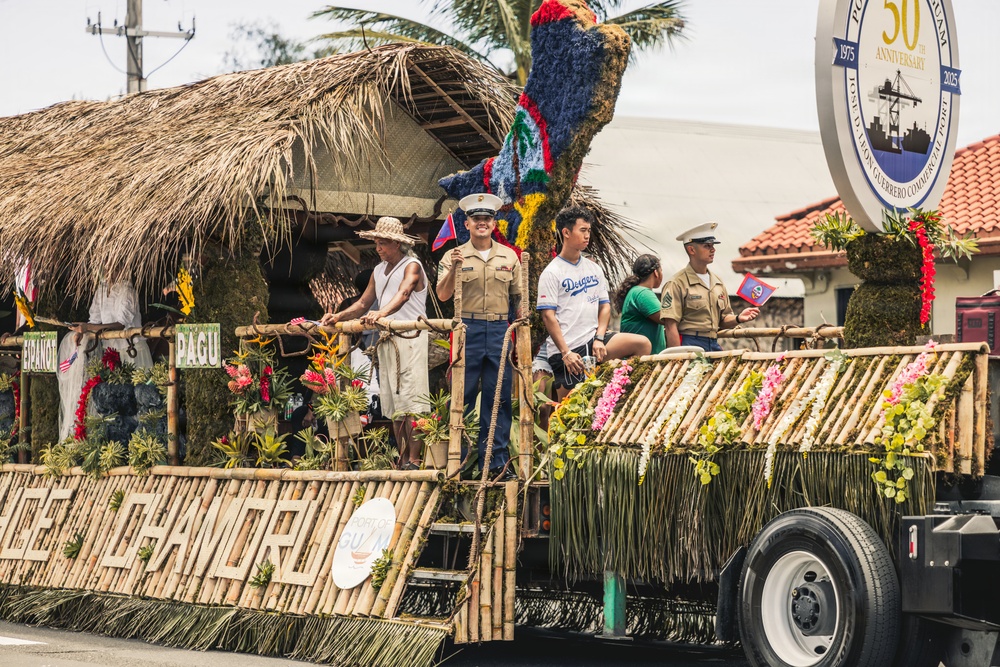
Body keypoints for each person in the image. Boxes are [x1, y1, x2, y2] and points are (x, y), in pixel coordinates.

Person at [320, 217, 430, 470]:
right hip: (387, 340)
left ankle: (414, 458)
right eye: (376, 243)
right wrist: (338, 316)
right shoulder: (378, 271)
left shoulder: (412, 265)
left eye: (383, 243)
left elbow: (403, 294)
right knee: (393, 402)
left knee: (411, 400)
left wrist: (382, 313)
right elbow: (362, 303)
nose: (378, 248)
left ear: (397, 244)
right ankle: (402, 457)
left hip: (410, 338)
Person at [437, 193, 522, 481]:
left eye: (487, 218)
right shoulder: (453, 255)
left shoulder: (509, 256)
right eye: (476, 219)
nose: (482, 223)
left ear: (493, 223)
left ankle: (497, 464)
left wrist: (521, 333)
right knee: (463, 395)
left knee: (498, 398)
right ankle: (456, 462)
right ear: (467, 223)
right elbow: (443, 294)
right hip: (467, 330)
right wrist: (455, 269)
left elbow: (518, 299)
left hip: (499, 329)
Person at [538, 206, 651, 399]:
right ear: (566, 232)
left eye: (589, 230)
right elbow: (548, 316)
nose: (587, 235)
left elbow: (605, 306)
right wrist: (566, 353)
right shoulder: (551, 272)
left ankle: (618, 394)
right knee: (570, 408)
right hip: (567, 350)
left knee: (642, 344)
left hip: (593, 340)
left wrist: (599, 338)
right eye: (583, 230)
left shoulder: (594, 269)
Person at [58, 281, 153, 442]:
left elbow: (121, 324)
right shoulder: (101, 290)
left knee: (141, 400)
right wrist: (83, 331)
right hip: (112, 353)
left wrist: (88, 327)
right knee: (116, 402)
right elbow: (94, 320)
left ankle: (145, 444)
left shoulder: (127, 290)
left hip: (132, 350)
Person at [660, 222, 760, 352]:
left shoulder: (717, 282)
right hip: (689, 343)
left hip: (713, 343)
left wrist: (738, 318)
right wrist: (676, 359)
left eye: (713, 246)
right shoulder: (677, 283)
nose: (713, 249)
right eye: (707, 246)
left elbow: (723, 320)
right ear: (691, 250)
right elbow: (670, 325)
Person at [614, 254, 666, 355]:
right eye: (661, 270)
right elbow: (666, 318)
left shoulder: (635, 291)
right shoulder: (643, 293)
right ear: (656, 273)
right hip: (644, 360)